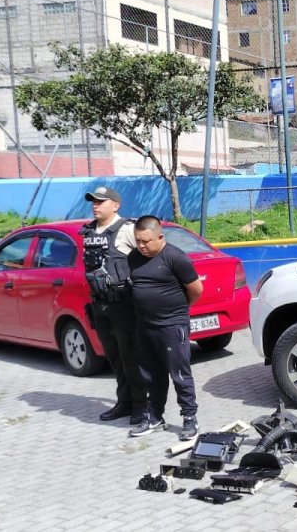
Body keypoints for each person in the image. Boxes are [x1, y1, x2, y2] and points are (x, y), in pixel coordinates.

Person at [127, 216, 203, 440]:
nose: (141, 246)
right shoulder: (134, 258)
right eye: (138, 241)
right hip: (145, 326)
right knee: (151, 375)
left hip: (172, 326)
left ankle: (189, 418)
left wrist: (178, 311)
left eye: (146, 241)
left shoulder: (175, 258)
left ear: (160, 237)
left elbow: (196, 289)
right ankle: (155, 416)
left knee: (179, 374)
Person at [80, 186, 146, 424]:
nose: (95, 205)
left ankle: (141, 405)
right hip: (100, 305)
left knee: (131, 358)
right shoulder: (89, 232)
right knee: (115, 358)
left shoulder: (127, 229)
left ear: (115, 205)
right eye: (93, 202)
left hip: (123, 306)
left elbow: (149, 257)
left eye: (101, 202)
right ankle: (124, 402)